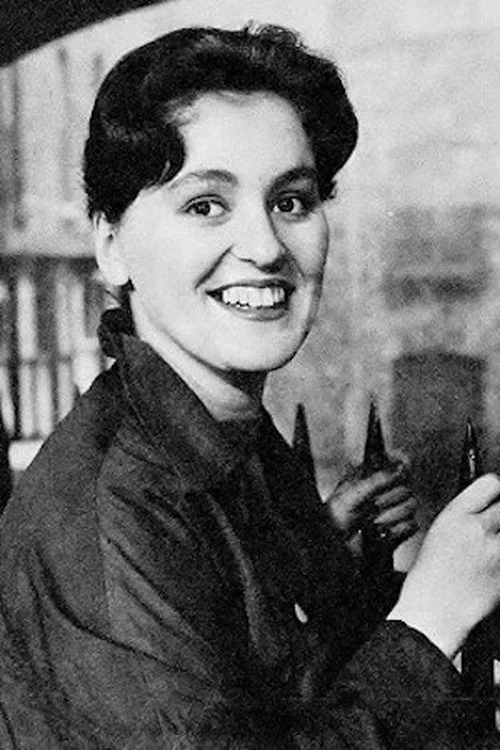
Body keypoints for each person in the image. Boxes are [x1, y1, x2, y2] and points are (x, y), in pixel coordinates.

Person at [0, 24, 499, 749]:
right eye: (205, 204)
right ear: (111, 245)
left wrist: (312, 548)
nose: (266, 247)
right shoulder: (109, 517)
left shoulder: (224, 431)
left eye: (291, 201)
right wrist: (428, 622)